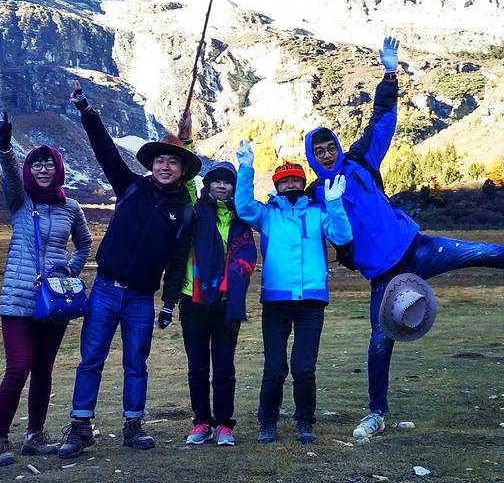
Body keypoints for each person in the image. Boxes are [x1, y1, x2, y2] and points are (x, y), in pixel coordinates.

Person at [304, 36, 504, 440]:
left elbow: (381, 121)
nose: (327, 154)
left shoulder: (360, 161)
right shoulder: (314, 197)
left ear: (338, 147)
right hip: (383, 277)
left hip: (418, 250)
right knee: (379, 343)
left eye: (330, 147)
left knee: (482, 251)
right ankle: (376, 413)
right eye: (319, 151)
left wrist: (390, 74)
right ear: (312, 155)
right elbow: (321, 232)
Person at [59, 83, 201, 459]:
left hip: (140, 298)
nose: (165, 166)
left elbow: (178, 261)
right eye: (160, 160)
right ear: (151, 164)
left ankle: (133, 425)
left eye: (173, 162)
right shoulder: (129, 187)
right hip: (105, 289)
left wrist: (169, 303)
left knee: (136, 363)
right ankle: (80, 427)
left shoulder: (185, 211)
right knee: (91, 358)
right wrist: (87, 112)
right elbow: (105, 150)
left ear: (182, 170)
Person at [0, 112, 92, 467]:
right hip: (18, 298)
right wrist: (5, 148)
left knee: (44, 369)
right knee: (18, 368)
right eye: (37, 164)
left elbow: (84, 243)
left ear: (58, 168)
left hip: (55, 300)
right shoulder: (20, 201)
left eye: (49, 164)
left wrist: (70, 270)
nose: (43, 169)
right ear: (29, 169)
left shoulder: (71, 207)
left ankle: (35, 435)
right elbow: (10, 177)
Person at [235, 141, 351, 444]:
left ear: (302, 183)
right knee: (275, 367)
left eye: (295, 180)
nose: (290, 185)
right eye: (284, 181)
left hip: (311, 301)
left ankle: (305, 422)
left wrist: (335, 204)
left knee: (304, 367)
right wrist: (246, 169)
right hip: (276, 301)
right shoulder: (267, 214)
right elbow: (243, 207)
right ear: (277, 185)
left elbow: (342, 236)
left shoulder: (318, 212)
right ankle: (267, 421)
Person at [176, 111, 257, 447]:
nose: (222, 186)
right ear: (207, 184)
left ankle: (224, 424)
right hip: (193, 298)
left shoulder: (241, 219)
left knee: (224, 366)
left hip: (226, 302)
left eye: (228, 182)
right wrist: (185, 142)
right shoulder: (196, 211)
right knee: (197, 366)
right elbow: (185, 180)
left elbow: (247, 256)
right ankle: (201, 423)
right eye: (216, 181)